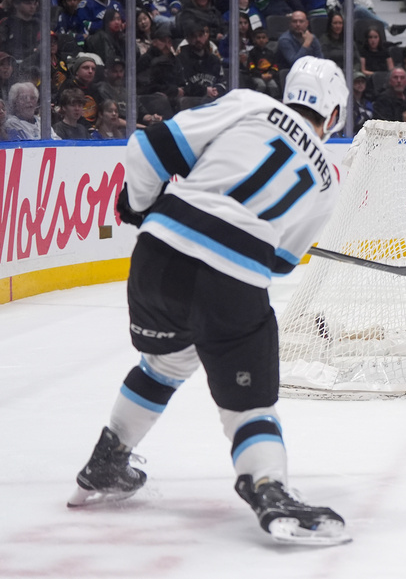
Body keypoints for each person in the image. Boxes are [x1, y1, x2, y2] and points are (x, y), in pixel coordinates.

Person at [68, 57, 351, 545]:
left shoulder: (250, 104)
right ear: (336, 113)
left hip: (156, 262)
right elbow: (280, 263)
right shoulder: (327, 179)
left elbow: (147, 150)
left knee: (164, 363)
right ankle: (269, 487)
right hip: (231, 282)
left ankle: (108, 460)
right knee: (248, 406)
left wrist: (139, 207)